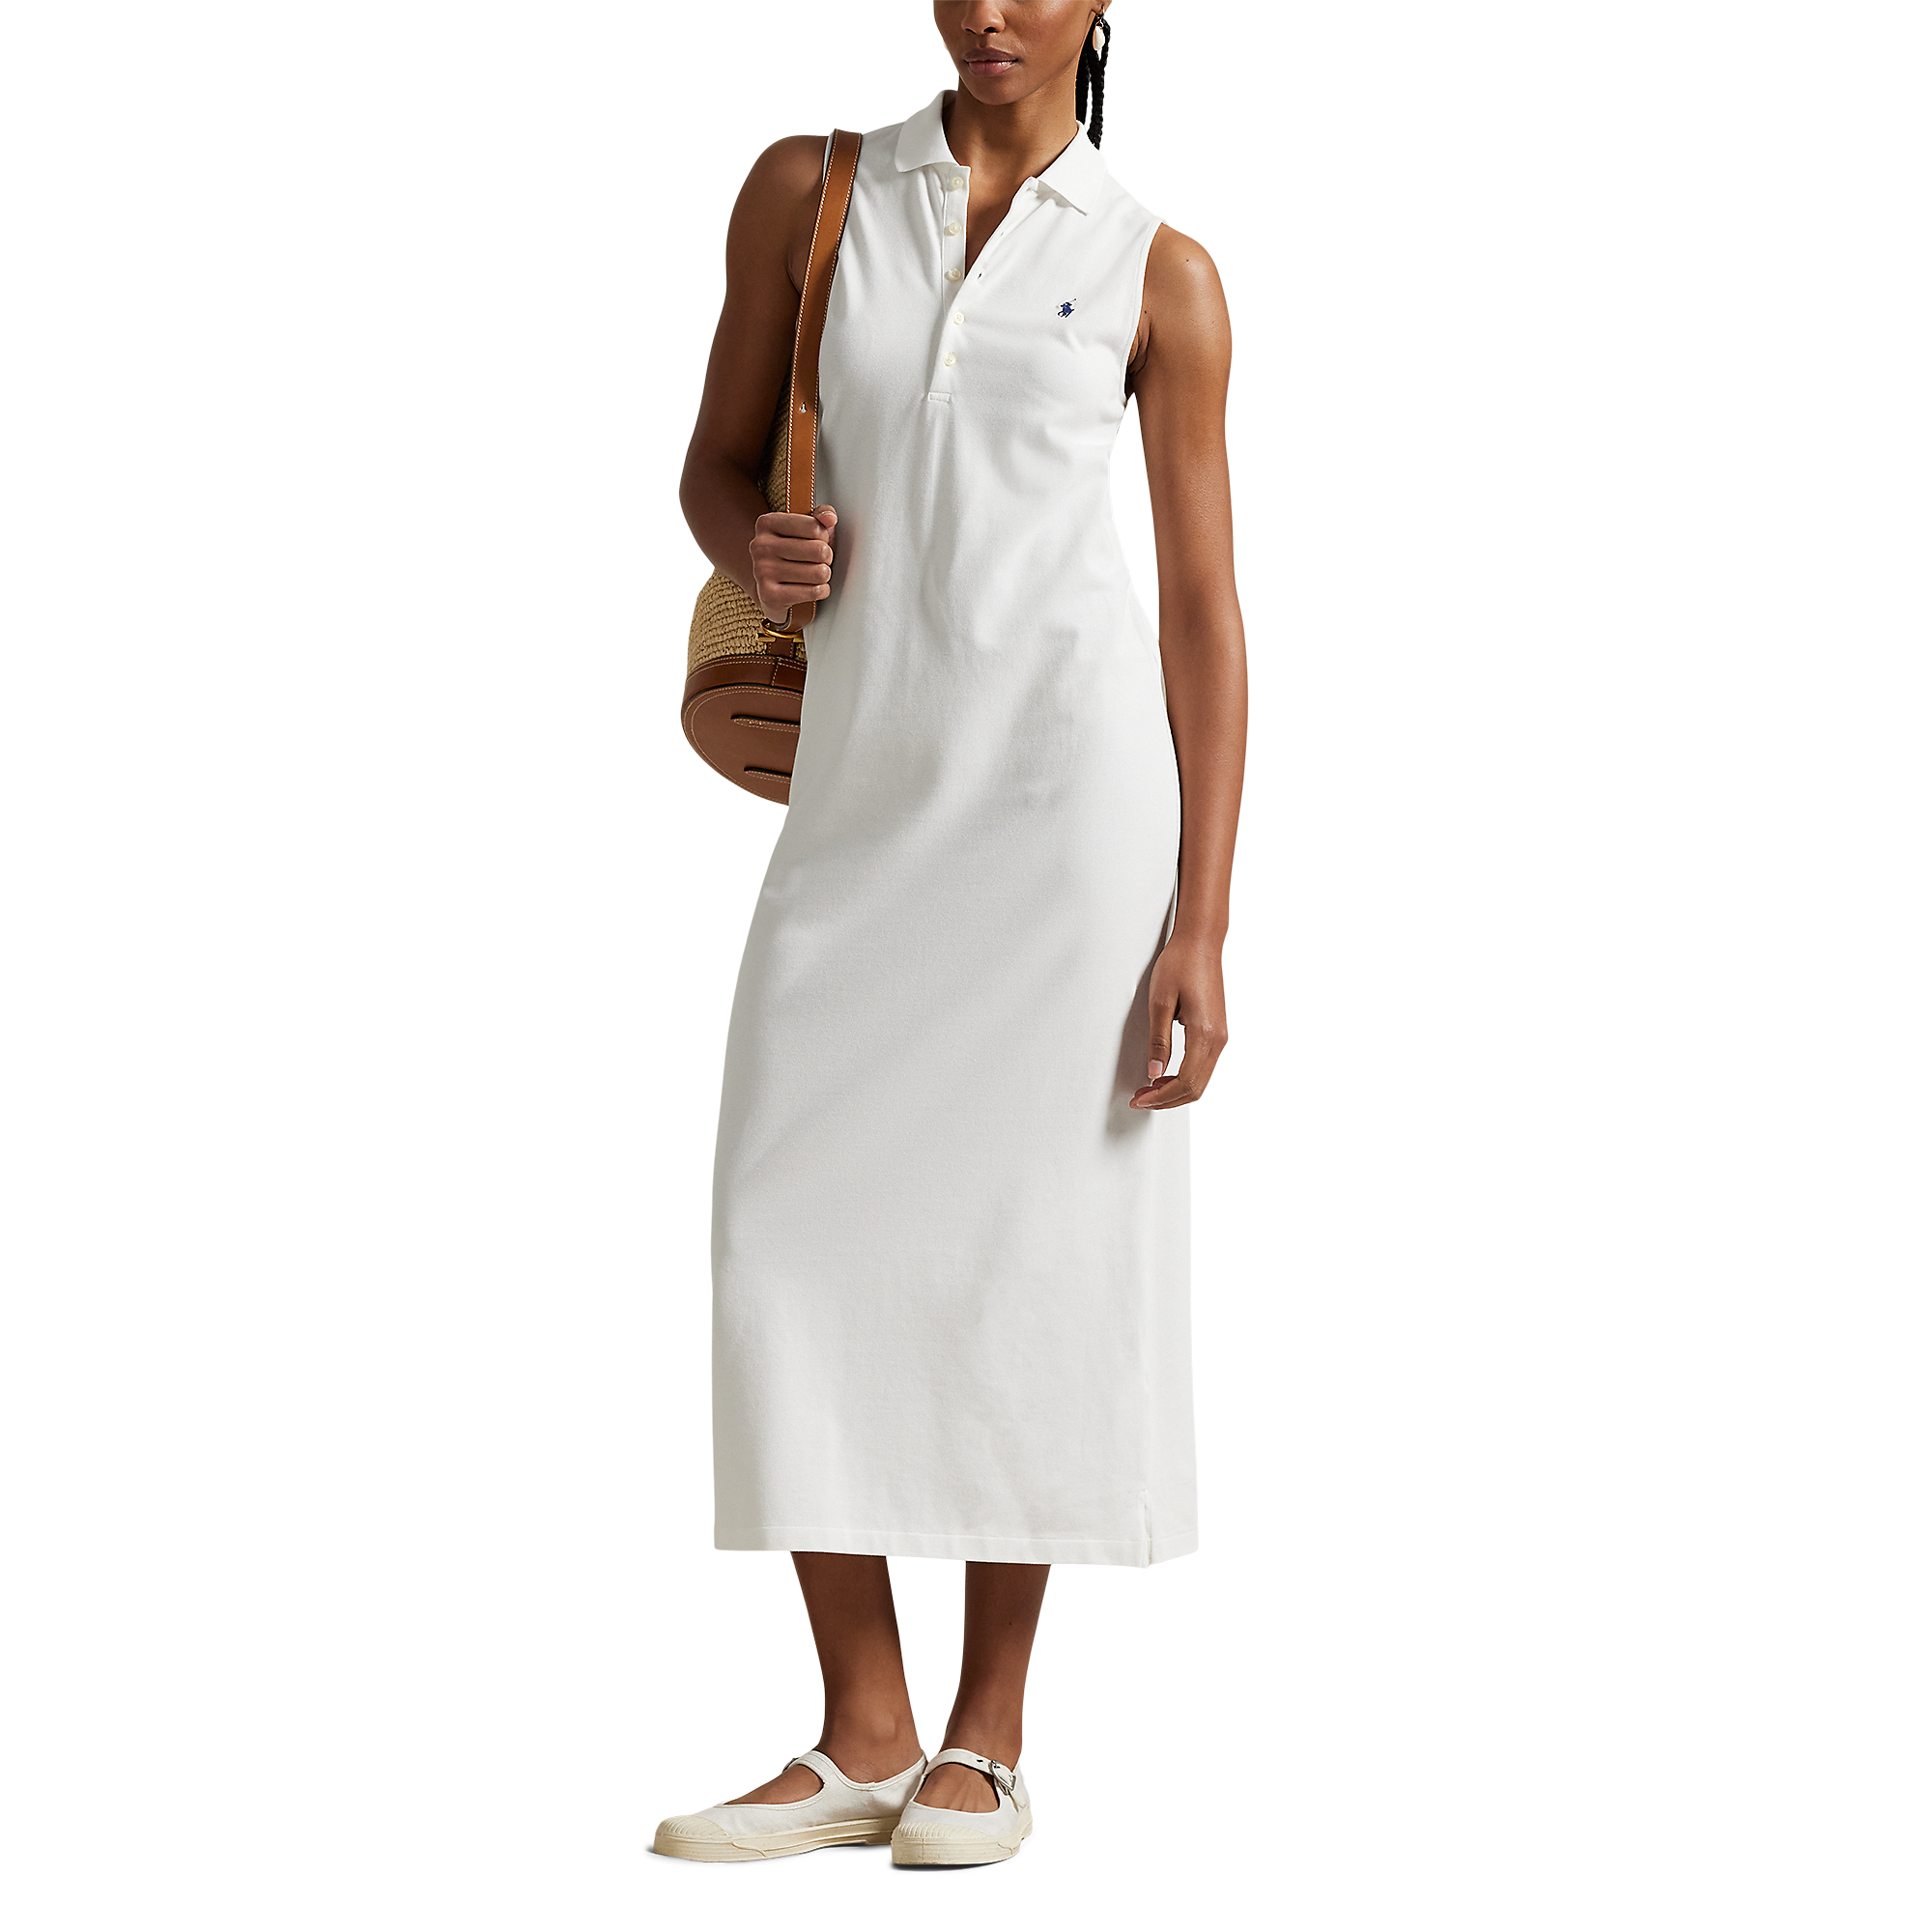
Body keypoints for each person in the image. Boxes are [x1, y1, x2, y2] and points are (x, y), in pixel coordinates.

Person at [651, 0, 1246, 1876]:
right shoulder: (811, 192)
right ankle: (860, 1733)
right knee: (780, 1236)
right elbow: (713, 467)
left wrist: (1203, 922)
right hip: (859, 811)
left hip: (1067, 830)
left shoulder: (1158, 269)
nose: (990, 8)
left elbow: (1204, 614)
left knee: (1028, 1257)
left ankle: (987, 1737)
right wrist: (751, 546)